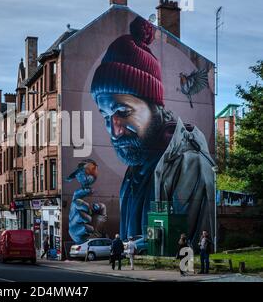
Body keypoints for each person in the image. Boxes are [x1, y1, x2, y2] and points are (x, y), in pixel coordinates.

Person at [76, 15, 216, 245]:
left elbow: (179, 245)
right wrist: (92, 237)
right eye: (105, 117)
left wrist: (132, 248)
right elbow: (134, 238)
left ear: (156, 107)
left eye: (122, 111)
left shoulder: (190, 164)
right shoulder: (138, 167)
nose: (114, 131)